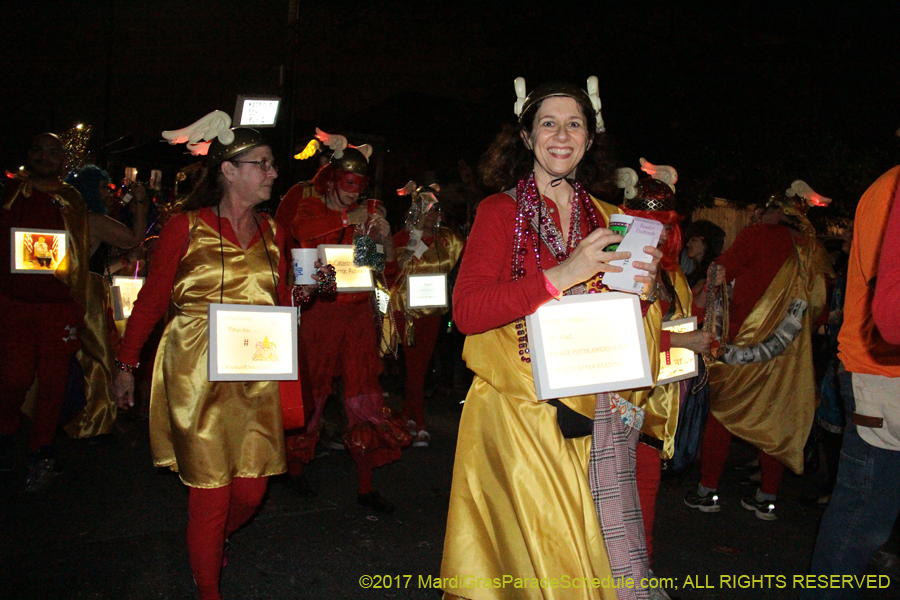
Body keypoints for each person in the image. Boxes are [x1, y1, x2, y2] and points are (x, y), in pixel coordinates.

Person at [440, 77, 663, 600]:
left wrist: (645, 293)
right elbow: (468, 312)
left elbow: (626, 317)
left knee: (587, 561)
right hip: (518, 420)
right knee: (536, 566)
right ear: (525, 136)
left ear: (590, 139)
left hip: (588, 416)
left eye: (574, 124)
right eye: (548, 123)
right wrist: (564, 273)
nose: (561, 135)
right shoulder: (500, 211)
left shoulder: (613, 218)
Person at [113, 121, 290, 600]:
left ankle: (213, 540)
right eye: (264, 164)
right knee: (211, 491)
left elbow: (283, 301)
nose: (274, 172)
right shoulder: (183, 227)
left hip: (255, 373)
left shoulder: (274, 232)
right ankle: (208, 584)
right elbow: (150, 302)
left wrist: (316, 290)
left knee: (252, 490)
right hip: (196, 372)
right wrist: (126, 365)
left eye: (272, 164)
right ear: (229, 171)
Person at [275, 129, 410, 513]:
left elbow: (378, 268)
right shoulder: (310, 207)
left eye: (359, 188)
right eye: (348, 185)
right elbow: (301, 233)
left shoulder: (368, 214)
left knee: (363, 394)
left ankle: (366, 485)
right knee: (314, 391)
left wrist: (383, 239)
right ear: (334, 180)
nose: (354, 194)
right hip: (320, 315)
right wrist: (349, 216)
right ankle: (296, 468)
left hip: (356, 316)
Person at [684, 184, 832, 520]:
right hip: (787, 356)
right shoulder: (813, 250)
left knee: (721, 415)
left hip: (743, 344)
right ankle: (766, 498)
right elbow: (819, 311)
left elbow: (720, 272)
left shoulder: (758, 236)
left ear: (775, 212)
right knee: (774, 422)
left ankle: (708, 490)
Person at [802, 167, 900, 599]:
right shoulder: (892, 188)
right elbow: (890, 304)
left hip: (879, 370)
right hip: (882, 375)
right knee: (863, 517)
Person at [616, 163, 715, 576]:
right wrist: (681, 342)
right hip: (620, 406)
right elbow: (607, 342)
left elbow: (675, 324)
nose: (654, 234)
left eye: (662, 227)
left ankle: (640, 578)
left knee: (643, 502)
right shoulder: (615, 268)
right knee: (617, 505)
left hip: (660, 407)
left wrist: (711, 295)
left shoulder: (673, 274)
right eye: (646, 224)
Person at [0, 133, 91, 491]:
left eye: (53, 152)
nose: (44, 157)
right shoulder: (8, 195)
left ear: (63, 160)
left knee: (54, 383)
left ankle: (42, 452)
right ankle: (7, 430)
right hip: (12, 302)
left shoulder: (71, 200)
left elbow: (80, 252)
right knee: (14, 378)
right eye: (37, 149)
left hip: (57, 306)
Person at [64, 165, 149, 439]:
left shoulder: (73, 217)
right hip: (88, 293)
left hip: (78, 288)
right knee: (98, 355)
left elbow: (95, 261)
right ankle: (93, 418)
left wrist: (124, 261)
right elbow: (133, 238)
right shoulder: (93, 219)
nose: (109, 193)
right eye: (102, 187)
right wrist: (140, 206)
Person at [385, 182, 465, 447]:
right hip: (405, 312)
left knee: (420, 367)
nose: (430, 214)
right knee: (414, 368)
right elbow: (389, 272)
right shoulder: (400, 238)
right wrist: (411, 244)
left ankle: (408, 414)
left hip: (432, 312)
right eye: (424, 209)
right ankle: (418, 420)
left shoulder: (449, 240)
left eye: (434, 210)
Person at [680, 219, 725, 291]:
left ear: (706, 244)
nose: (688, 244)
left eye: (694, 240)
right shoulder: (693, 271)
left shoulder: (709, 275)